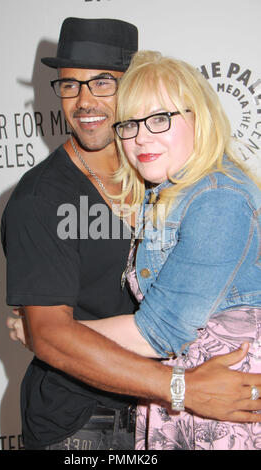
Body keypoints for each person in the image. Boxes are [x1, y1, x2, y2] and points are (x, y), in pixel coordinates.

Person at [3, 19, 261, 451]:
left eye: (103, 82)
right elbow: (52, 334)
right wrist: (181, 388)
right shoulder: (41, 199)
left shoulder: (168, 181)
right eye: (70, 85)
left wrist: (181, 390)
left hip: (176, 406)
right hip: (83, 421)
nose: (84, 101)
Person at [78, 50, 261, 450]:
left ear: (202, 118)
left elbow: (157, 334)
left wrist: (53, 336)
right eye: (129, 124)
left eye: (160, 119)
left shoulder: (218, 196)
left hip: (228, 416)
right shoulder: (170, 193)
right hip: (191, 401)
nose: (142, 137)